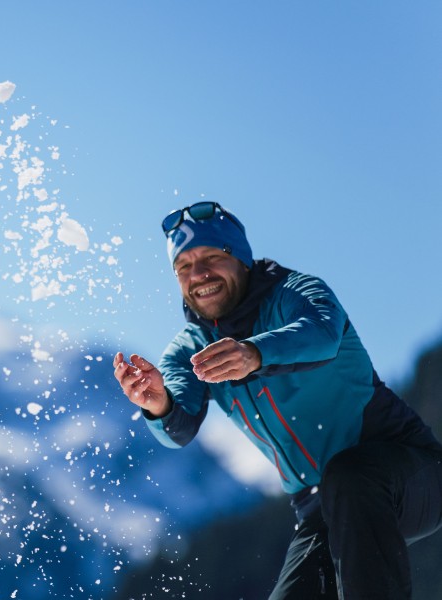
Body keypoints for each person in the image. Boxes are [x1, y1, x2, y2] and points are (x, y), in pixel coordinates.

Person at [112, 202, 442, 599]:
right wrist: (158, 403)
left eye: (213, 257)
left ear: (243, 260)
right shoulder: (188, 350)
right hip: (319, 509)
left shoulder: (295, 293)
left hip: (411, 474)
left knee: (349, 476)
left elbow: (322, 334)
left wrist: (254, 353)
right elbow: (177, 427)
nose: (198, 275)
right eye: (183, 266)